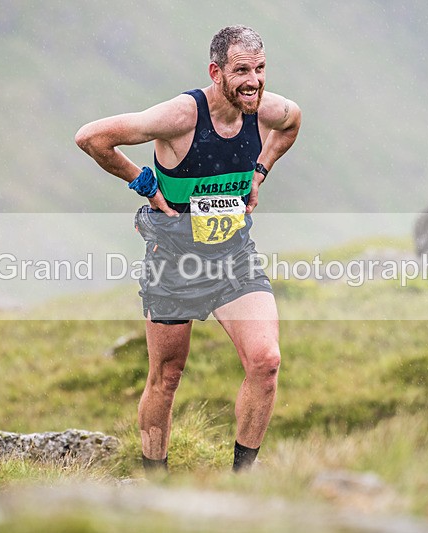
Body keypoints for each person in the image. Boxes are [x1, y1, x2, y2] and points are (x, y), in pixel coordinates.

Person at [75, 25, 301, 473]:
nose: (253, 81)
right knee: (167, 377)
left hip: (234, 256)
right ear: (216, 72)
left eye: (259, 69)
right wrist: (143, 183)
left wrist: (261, 170)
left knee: (267, 362)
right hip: (173, 261)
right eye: (241, 71)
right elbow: (91, 137)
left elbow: (293, 122)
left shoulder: (266, 108)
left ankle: (242, 481)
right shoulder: (181, 116)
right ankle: (154, 483)